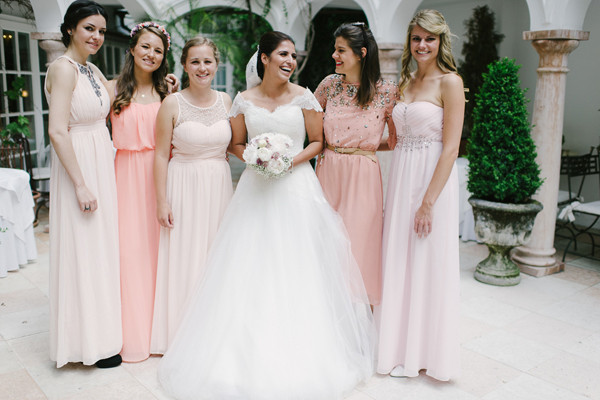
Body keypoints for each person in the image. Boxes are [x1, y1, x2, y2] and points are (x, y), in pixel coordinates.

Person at [157, 31, 375, 400]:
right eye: (283, 55)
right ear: (265, 58)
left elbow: (317, 142)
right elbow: (236, 143)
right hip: (255, 192)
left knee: (298, 267)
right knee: (249, 267)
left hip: (297, 190)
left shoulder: (305, 96)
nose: (290, 61)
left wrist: (288, 160)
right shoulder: (242, 100)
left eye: (293, 56)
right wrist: (256, 158)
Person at [375, 9, 464, 381]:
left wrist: (428, 202)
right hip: (401, 179)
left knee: (427, 261)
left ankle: (424, 354)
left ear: (441, 41)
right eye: (416, 38)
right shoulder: (405, 83)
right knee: (399, 259)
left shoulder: (450, 83)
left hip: (433, 182)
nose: (422, 45)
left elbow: (451, 148)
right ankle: (396, 348)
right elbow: (392, 138)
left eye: (429, 38)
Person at [45, 0, 122, 368]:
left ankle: (104, 338)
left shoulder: (89, 68)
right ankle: (86, 346)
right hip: (78, 165)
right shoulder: (62, 69)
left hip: (99, 160)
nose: (97, 36)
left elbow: (112, 94)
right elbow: (58, 131)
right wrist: (80, 184)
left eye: (102, 31)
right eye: (90, 28)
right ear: (71, 28)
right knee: (83, 251)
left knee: (100, 249)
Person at [150, 36, 233, 354]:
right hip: (183, 185)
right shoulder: (171, 103)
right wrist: (162, 201)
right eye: (195, 61)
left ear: (216, 64)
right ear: (184, 65)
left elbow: (235, 147)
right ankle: (181, 333)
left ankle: (215, 329)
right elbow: (160, 155)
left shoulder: (226, 101)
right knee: (186, 257)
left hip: (218, 186)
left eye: (208, 61)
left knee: (216, 256)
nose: (202, 67)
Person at [315, 22, 398, 306]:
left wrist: (367, 148)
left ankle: (357, 317)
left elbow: (397, 139)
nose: (334, 56)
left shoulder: (386, 91)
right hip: (327, 171)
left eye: (341, 51)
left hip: (362, 177)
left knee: (358, 246)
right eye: (335, 50)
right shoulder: (328, 85)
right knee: (325, 242)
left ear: (361, 53)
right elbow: (311, 129)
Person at [103, 21, 171, 363]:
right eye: (145, 47)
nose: (151, 55)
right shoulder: (112, 89)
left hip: (160, 178)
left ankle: (160, 332)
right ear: (132, 49)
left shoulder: (168, 95)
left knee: (158, 254)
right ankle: (128, 335)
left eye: (158, 50)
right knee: (128, 255)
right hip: (123, 177)